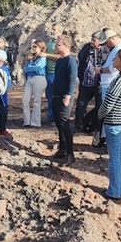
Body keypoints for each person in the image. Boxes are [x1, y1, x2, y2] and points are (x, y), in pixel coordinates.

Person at [97, 49, 121, 199]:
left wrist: (99, 116)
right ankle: (119, 189)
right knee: (119, 156)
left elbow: (108, 103)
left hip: (114, 122)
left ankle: (114, 191)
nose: (113, 61)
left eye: (115, 59)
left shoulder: (120, 80)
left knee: (114, 158)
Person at [51, 35, 78, 166]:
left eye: (58, 44)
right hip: (56, 95)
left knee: (64, 123)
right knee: (59, 123)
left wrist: (68, 95)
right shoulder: (59, 61)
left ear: (66, 46)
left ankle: (70, 153)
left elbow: (72, 79)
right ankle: (62, 149)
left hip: (64, 97)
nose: (55, 46)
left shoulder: (70, 61)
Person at [74, 31, 102, 132]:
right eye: (91, 39)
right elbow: (81, 59)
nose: (92, 42)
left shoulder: (105, 50)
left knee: (99, 106)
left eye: (94, 40)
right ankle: (79, 125)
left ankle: (94, 125)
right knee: (81, 105)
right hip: (86, 82)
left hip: (98, 84)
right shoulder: (86, 48)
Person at [22, 40, 48, 127]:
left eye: (35, 47)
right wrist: (30, 66)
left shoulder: (43, 58)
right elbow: (25, 69)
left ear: (41, 48)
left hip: (39, 78)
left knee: (37, 100)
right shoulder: (30, 59)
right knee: (25, 100)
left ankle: (35, 122)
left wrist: (30, 68)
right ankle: (27, 121)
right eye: (32, 47)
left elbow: (38, 68)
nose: (33, 49)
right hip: (30, 79)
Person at [44, 23, 61, 123]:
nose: (52, 31)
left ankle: (56, 116)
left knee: (56, 96)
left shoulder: (60, 44)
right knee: (49, 96)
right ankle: (51, 115)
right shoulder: (50, 41)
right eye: (52, 29)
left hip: (55, 72)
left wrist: (46, 55)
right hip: (48, 72)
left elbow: (59, 56)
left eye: (54, 29)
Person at [0, 49, 12, 138]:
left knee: (3, 112)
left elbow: (8, 81)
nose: (0, 62)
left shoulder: (5, 69)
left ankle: (2, 129)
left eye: (2, 61)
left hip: (2, 95)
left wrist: (5, 88)